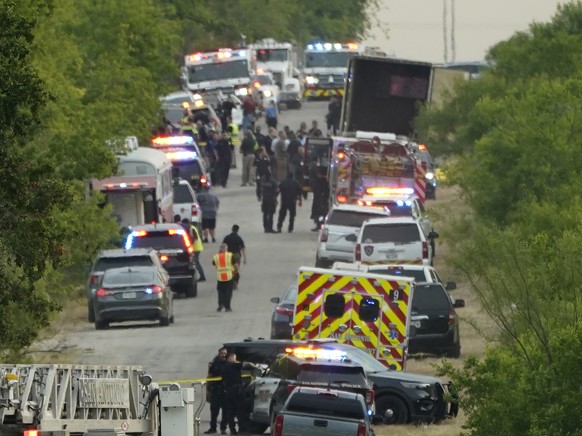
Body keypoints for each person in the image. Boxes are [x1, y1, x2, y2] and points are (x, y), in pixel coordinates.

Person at [221, 352, 261, 435]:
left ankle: (232, 430)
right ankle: (242, 430)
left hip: (228, 390)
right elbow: (247, 365)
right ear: (231, 358)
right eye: (234, 358)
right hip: (237, 390)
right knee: (240, 410)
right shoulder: (233, 365)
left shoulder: (224, 368)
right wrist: (256, 366)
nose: (235, 360)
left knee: (230, 411)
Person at [204, 347, 228, 434]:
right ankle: (213, 428)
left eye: (225, 353)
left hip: (225, 391)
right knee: (214, 411)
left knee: (225, 412)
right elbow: (209, 376)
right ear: (219, 353)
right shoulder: (214, 364)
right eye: (222, 353)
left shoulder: (228, 364)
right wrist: (207, 388)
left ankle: (223, 428)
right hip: (215, 390)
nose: (223, 355)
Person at [212, 244, 238, 312]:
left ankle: (220, 305)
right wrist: (235, 272)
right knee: (228, 293)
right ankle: (228, 307)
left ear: (220, 249)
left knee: (221, 292)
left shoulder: (216, 256)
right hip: (229, 276)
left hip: (220, 277)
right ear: (226, 249)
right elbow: (235, 265)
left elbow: (214, 264)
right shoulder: (229, 255)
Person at [223, 224, 246, 289]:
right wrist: (244, 258)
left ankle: (230, 283)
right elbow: (243, 249)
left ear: (232, 229)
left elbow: (223, 247)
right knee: (236, 270)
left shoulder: (227, 237)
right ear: (237, 230)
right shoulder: (239, 238)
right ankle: (235, 283)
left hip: (228, 255)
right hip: (236, 255)